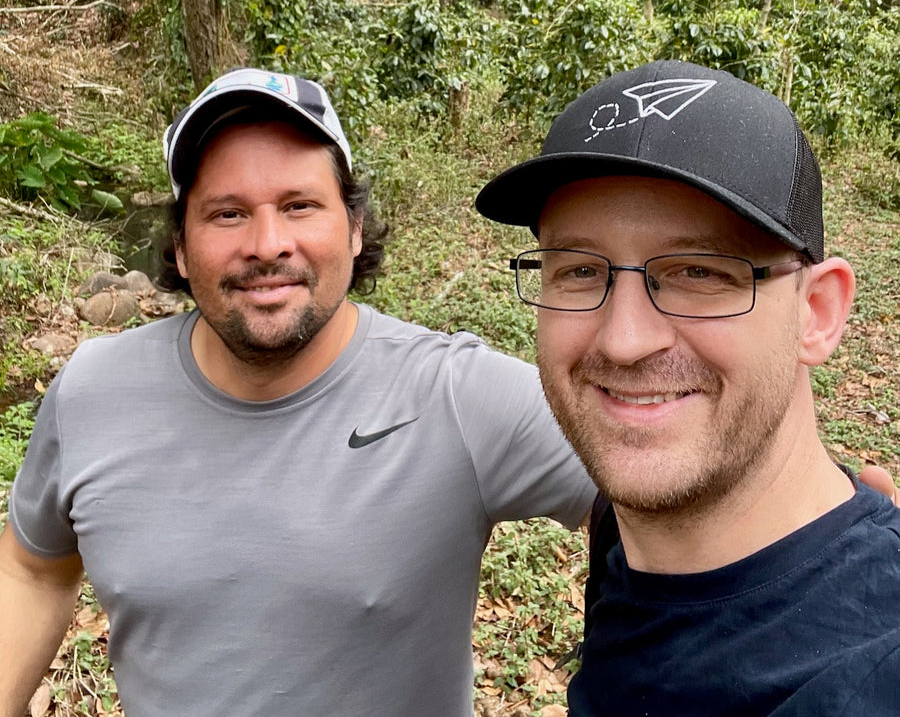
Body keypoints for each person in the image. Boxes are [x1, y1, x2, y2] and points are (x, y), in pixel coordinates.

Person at [0, 67, 598, 716]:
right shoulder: (94, 391)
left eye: (299, 205)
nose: (267, 245)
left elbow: (688, 507)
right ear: (177, 247)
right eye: (227, 213)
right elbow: (30, 570)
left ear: (354, 226)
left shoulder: (458, 395)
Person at [475, 60, 900, 715]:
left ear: (816, 313)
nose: (623, 340)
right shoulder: (627, 530)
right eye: (581, 271)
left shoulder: (871, 674)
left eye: (699, 271)